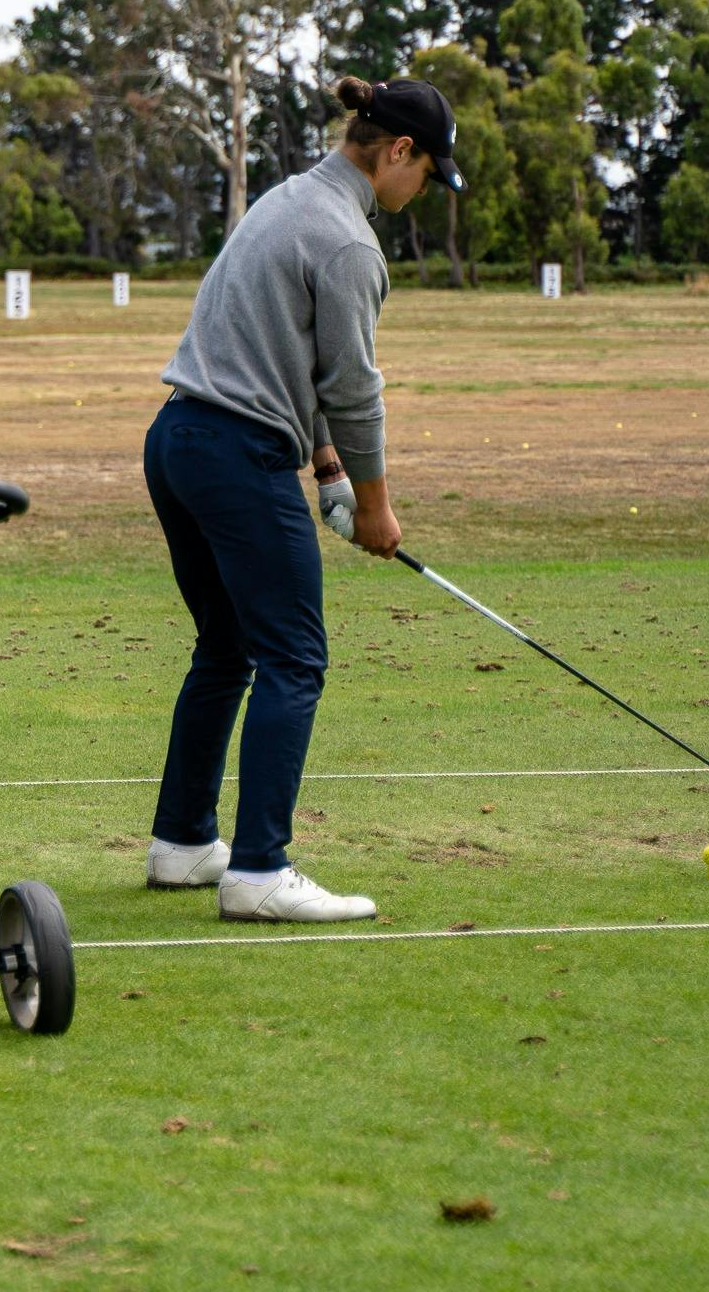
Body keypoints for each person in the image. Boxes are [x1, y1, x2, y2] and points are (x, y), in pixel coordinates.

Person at [139, 75, 460, 923]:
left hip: (177, 440)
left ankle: (181, 845)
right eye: (426, 171)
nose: (422, 188)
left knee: (229, 644)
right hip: (236, 456)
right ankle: (258, 872)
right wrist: (379, 507)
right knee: (295, 657)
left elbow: (290, 357)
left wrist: (327, 473)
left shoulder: (288, 198)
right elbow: (354, 389)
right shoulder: (350, 244)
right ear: (398, 152)